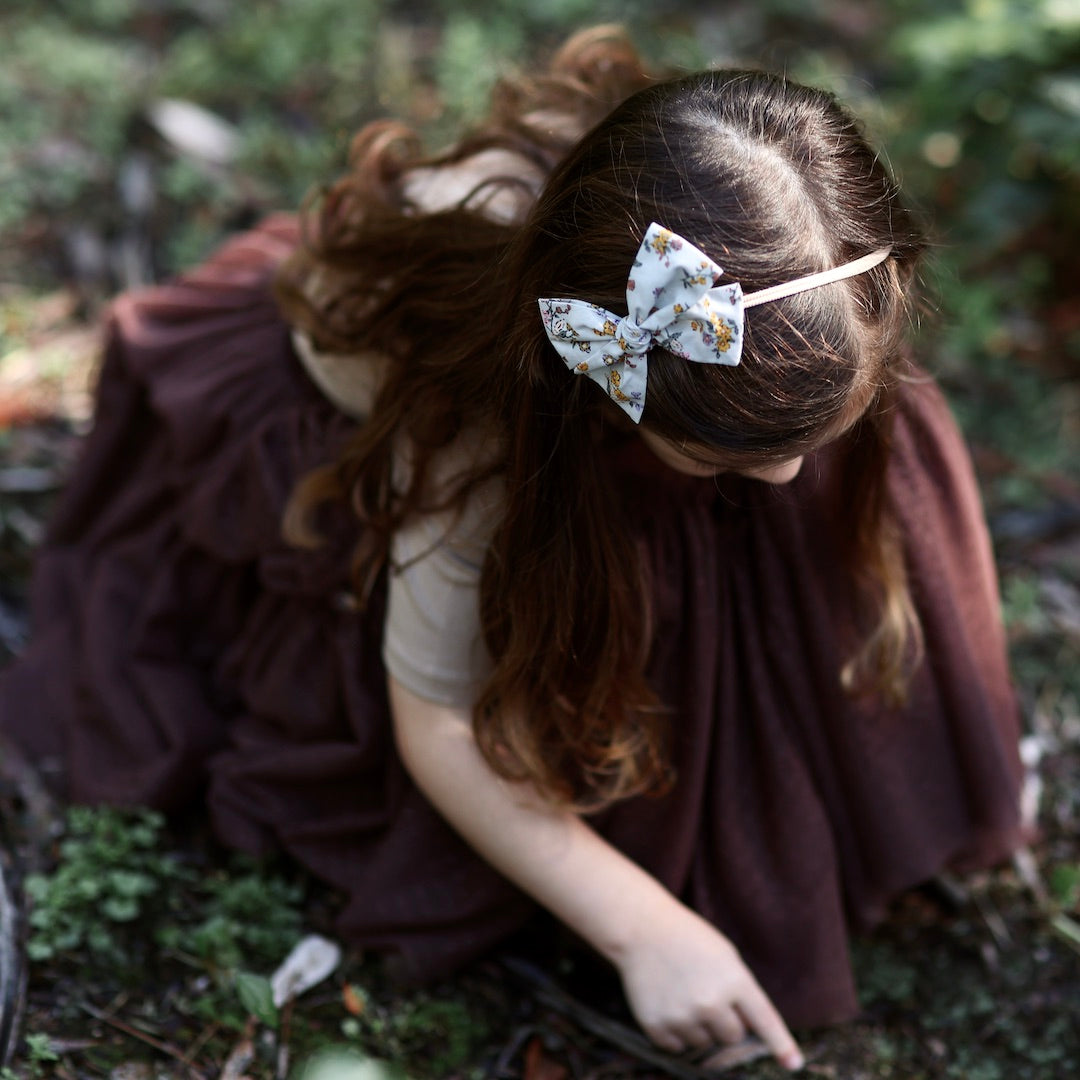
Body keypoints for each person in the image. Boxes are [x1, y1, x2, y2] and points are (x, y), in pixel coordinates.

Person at [0, 26, 1024, 1071]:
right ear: (618, 389)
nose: (789, 485)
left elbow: (778, 438)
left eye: (810, 441)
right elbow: (439, 722)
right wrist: (645, 928)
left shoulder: (770, 252)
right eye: (736, 457)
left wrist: (766, 438)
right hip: (424, 419)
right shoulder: (478, 437)